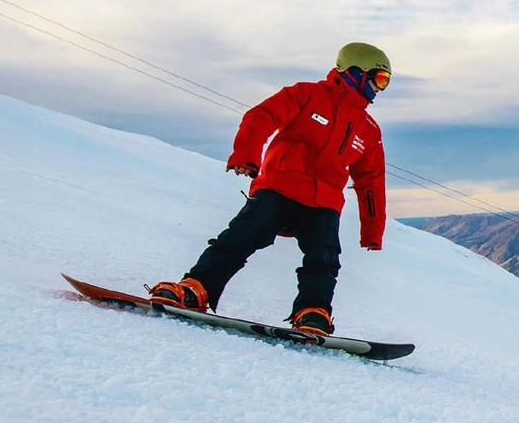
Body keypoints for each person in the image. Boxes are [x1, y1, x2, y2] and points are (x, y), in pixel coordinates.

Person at [147, 42, 391, 337]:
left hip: (323, 202)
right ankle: (196, 288)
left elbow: (371, 182)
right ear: (356, 71)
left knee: (324, 259)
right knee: (240, 237)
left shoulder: (368, 129)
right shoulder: (307, 94)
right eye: (379, 79)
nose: (380, 89)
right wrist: (246, 156)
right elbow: (261, 117)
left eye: (385, 83)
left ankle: (313, 312)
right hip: (280, 185)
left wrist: (372, 232)